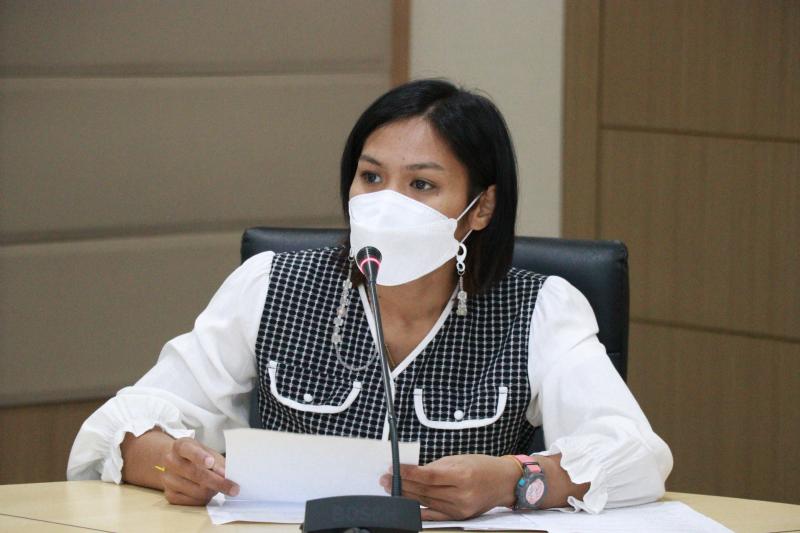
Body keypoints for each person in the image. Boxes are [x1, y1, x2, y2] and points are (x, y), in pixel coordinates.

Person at [67, 79, 672, 520]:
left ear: (480, 208)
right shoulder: (271, 284)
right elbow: (120, 427)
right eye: (372, 177)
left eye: (422, 184)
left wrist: (516, 481)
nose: (387, 203)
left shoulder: (538, 309)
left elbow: (637, 455)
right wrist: (173, 465)